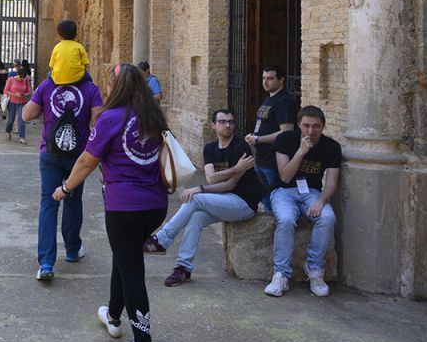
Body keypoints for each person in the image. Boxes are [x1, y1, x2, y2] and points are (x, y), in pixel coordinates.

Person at [53, 63, 168, 342]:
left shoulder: (110, 118)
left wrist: (65, 188)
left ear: (116, 88)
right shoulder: (154, 119)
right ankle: (114, 316)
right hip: (155, 205)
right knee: (125, 255)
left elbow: (88, 160)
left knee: (133, 271)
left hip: (124, 206)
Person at [143, 108, 261, 286]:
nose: (227, 125)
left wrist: (200, 188)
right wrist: (236, 168)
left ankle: (162, 240)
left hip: (243, 204)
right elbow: (211, 178)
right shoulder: (210, 149)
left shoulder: (241, 148)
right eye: (222, 121)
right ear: (213, 125)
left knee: (195, 198)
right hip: (222, 201)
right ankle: (183, 268)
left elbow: (229, 184)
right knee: (196, 217)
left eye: (230, 122)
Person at [22, 57, 103, 281]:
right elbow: (99, 121)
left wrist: (47, 107)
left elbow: (26, 115)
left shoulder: (47, 86)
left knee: (48, 204)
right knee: (73, 200)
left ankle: (46, 264)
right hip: (78, 156)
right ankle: (72, 250)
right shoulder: (91, 89)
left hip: (50, 153)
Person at [265, 105, 341, 298]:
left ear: (323, 127)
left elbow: (332, 182)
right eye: (306, 126)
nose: (310, 131)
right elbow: (285, 176)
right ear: (299, 124)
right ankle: (281, 274)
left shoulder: (331, 146)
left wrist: (321, 201)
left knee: (328, 217)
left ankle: (314, 269)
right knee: (286, 219)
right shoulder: (285, 139)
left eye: (316, 126)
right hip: (283, 191)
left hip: (312, 192)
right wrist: (301, 151)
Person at [244, 64, 297, 210]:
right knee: (265, 197)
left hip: (273, 160)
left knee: (274, 198)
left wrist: (258, 139)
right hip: (261, 158)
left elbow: (286, 132)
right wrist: (253, 138)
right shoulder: (269, 99)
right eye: (263, 78)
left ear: (281, 80)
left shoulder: (284, 102)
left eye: (270, 78)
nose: (265, 82)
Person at [49, 19, 90, 85]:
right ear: (76, 34)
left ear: (59, 35)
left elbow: (52, 66)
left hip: (58, 79)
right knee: (89, 78)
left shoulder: (56, 47)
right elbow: (85, 64)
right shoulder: (79, 47)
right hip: (77, 78)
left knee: (48, 75)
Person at [3, 64, 32, 143]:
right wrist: (15, 95)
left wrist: (24, 94)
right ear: (18, 75)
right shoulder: (11, 80)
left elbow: (29, 92)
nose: (22, 79)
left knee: (22, 119)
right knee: (11, 119)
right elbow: (5, 91)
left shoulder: (25, 80)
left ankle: (22, 137)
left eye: (23, 77)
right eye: (21, 77)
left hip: (22, 102)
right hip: (12, 102)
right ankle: (8, 131)